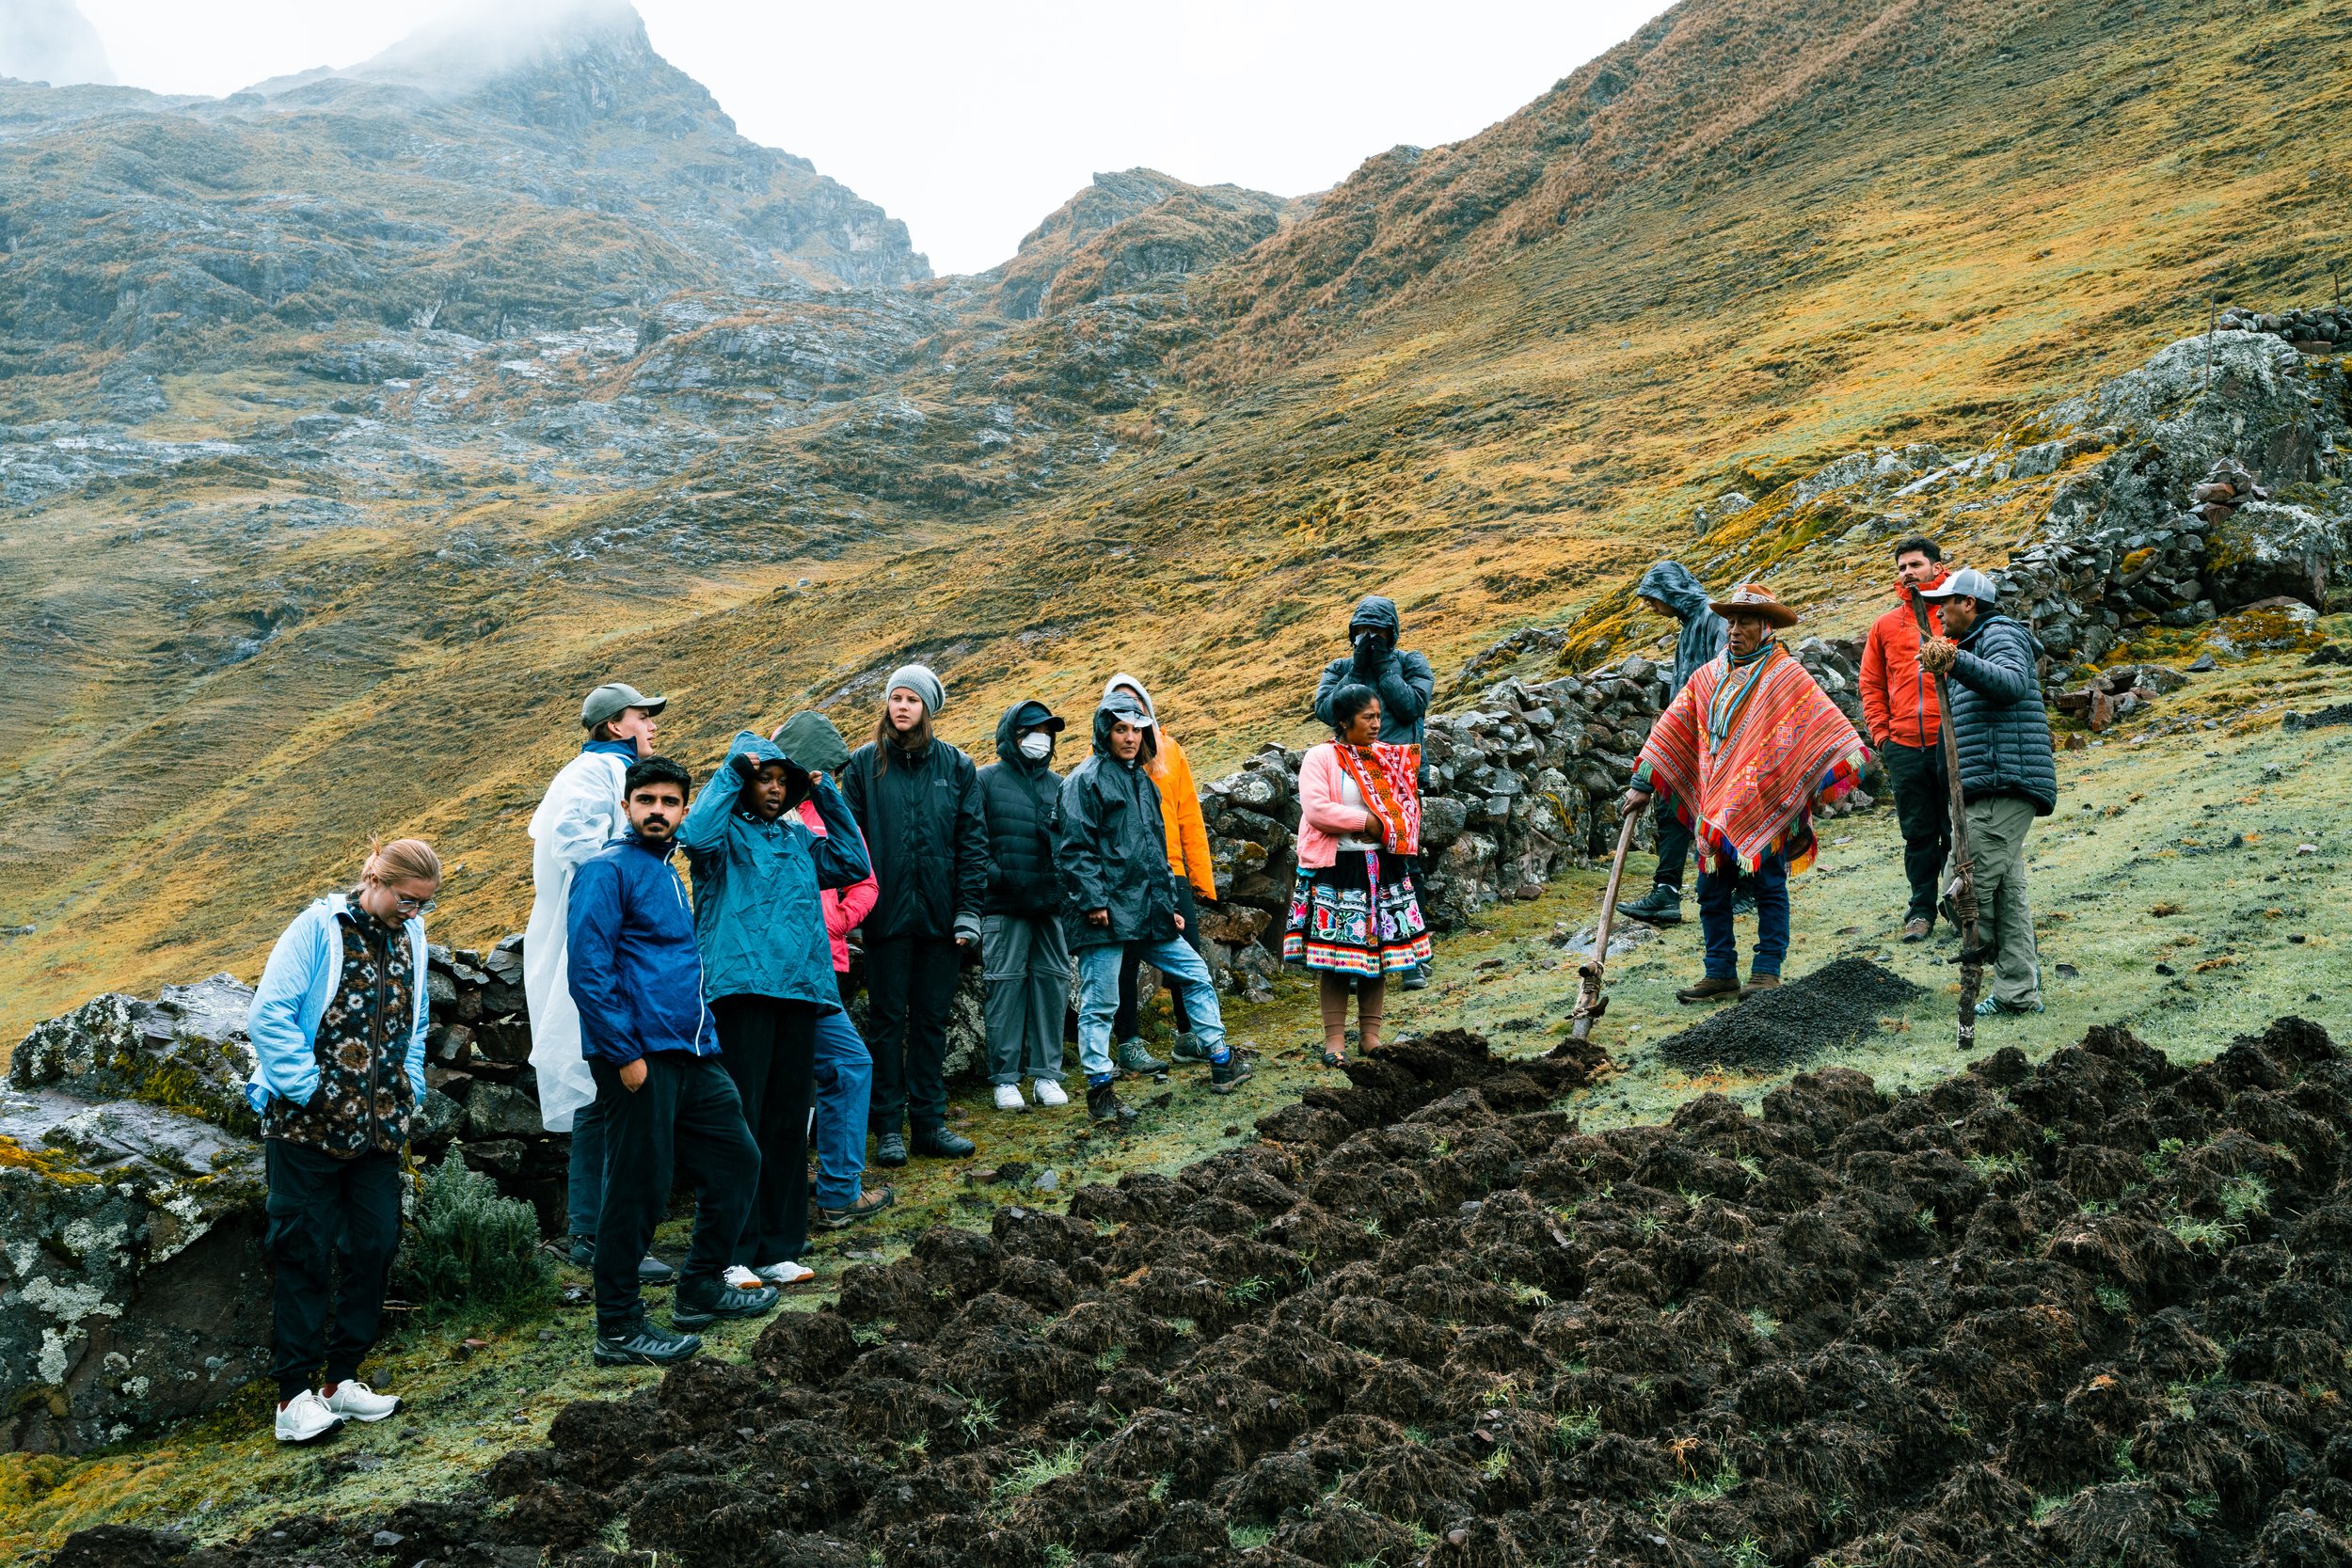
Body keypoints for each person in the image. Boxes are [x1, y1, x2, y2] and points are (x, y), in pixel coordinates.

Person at [569, 756, 778, 1367]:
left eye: (669, 801)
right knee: (639, 1186)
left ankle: (700, 1285)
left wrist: (704, 1035)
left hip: (692, 1052)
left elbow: (680, 968)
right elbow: (588, 969)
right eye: (647, 800)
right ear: (629, 806)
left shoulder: (670, 872)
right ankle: (618, 1325)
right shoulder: (607, 870)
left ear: (684, 810)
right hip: (637, 1056)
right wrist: (624, 1051)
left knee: (738, 1159)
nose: (658, 810)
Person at [245, 837, 441, 1443]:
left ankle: (342, 1381)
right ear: (376, 879)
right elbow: (270, 1015)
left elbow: (418, 1021)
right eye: (408, 900)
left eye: (423, 905)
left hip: (380, 1130)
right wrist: (312, 1092)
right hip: (305, 1129)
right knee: (304, 1251)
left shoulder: (412, 938)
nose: (415, 913)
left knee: (375, 1246)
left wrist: (410, 1085)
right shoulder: (316, 930)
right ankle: (293, 1399)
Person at [679, 731, 872, 1290]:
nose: (773, 788)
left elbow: (853, 861)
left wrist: (825, 791)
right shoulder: (721, 839)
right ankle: (729, 1252)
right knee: (740, 1125)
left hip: (801, 991)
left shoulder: (798, 839)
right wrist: (731, 771)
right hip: (740, 993)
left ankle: (778, 1246)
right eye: (764, 778)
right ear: (744, 783)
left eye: (780, 781)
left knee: (788, 1124)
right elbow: (692, 835)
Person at [1623, 583, 1868, 1004]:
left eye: (1746, 621)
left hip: (1767, 800)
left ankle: (1766, 971)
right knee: (1709, 889)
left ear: (1766, 625)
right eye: (1731, 620)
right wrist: (1643, 784)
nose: (1735, 629)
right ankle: (1719, 972)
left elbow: (1828, 729)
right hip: (1715, 802)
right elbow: (1673, 727)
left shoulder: (1786, 675)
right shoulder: (1707, 676)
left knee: (1769, 885)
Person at [522, 680, 676, 1284]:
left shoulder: (605, 774)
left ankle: (599, 1230)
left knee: (607, 1092)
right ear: (616, 725)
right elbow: (579, 849)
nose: (653, 725)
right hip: (597, 951)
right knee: (606, 1090)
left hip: (615, 948)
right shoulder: (590, 779)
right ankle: (600, 1235)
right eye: (645, 716)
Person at [1058, 691, 1249, 1123]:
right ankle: (1100, 1092)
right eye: (1120, 728)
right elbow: (1073, 850)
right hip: (1105, 915)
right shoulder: (1083, 781)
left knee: (1195, 972)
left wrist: (1167, 906)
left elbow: (1155, 852)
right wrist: (1093, 903)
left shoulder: (1142, 780)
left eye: (1136, 728)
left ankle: (1220, 1060)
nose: (1129, 737)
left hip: (1147, 912)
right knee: (1100, 1002)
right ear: (1104, 732)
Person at [839, 664, 989, 1164]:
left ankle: (929, 1123)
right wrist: (853, 912)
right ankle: (888, 1128)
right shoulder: (862, 766)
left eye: (912, 700)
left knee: (930, 1021)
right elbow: (848, 845)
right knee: (884, 1022)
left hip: (942, 922)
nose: (901, 707)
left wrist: (968, 913)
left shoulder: (957, 767)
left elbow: (973, 845)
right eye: (895, 698)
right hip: (883, 921)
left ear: (928, 708)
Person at [774, 710, 894, 1229]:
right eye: (813, 771)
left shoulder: (817, 810)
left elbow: (860, 872)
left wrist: (839, 922)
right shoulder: (750, 810)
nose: (819, 779)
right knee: (799, 1080)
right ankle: (807, 1191)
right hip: (777, 972)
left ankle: (833, 1189)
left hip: (825, 965)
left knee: (837, 1068)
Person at [1918, 567, 2055, 1017]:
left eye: (1945, 605)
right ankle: (2019, 993)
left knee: (1961, 891)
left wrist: (1956, 662)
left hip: (2004, 782)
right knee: (2006, 895)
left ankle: (1986, 949)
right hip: (1993, 785)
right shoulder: (1976, 643)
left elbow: (2013, 683)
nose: (1938, 614)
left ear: (1969, 604)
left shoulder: (1999, 634)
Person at [1285, 684, 1432, 1065]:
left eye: (1378, 716)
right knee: (1336, 958)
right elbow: (1317, 810)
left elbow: (1405, 805)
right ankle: (1335, 1042)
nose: (1376, 724)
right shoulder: (1321, 758)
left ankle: (1371, 1036)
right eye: (1368, 717)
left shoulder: (1383, 758)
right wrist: (1366, 821)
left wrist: (1386, 828)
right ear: (1344, 721)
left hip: (1382, 867)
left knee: (1378, 955)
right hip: (1338, 868)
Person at [1312, 595, 1436, 987]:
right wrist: (1359, 669)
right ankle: (1356, 954)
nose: (1369, 639)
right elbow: (1327, 710)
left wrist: (1382, 666)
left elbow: (1412, 706)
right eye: (1362, 632)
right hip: (1347, 779)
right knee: (1351, 871)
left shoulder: (1411, 663)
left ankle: (1411, 957)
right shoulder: (1341, 668)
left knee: (1403, 866)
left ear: (1392, 633)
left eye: (1377, 632)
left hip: (1397, 778)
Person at [1103, 673, 1217, 1071]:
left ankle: (1190, 1036)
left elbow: (1189, 816)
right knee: (1127, 960)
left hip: (1171, 870)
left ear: (1147, 710)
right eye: (1118, 708)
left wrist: (1200, 877)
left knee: (1187, 952)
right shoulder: (1101, 764)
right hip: (1126, 876)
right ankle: (1129, 1042)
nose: (1129, 718)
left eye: (1135, 705)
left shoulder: (1171, 751)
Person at [977, 699, 1074, 1113]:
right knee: (1004, 986)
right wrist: (999, 877)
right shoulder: (985, 781)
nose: (1040, 739)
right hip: (1002, 907)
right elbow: (971, 841)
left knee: (1053, 985)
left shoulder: (1060, 785)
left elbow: (1073, 844)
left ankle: (1047, 1075)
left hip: (1050, 907)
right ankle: (1005, 1080)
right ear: (1011, 736)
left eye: (1046, 732)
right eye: (1031, 731)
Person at [1617, 562, 1727, 926]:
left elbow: (1720, 680)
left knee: (1721, 813)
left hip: (1712, 740)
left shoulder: (1714, 619)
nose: (1651, 607)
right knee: (1669, 808)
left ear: (1671, 592)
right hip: (1686, 737)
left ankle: (1742, 890)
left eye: (1652, 599)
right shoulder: (1688, 628)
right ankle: (1667, 893)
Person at [1861, 537, 1955, 942]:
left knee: (1956, 827)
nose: (1908, 573)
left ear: (1936, 567)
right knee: (1917, 833)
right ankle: (1920, 911)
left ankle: (1960, 905)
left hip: (1949, 740)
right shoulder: (1885, 625)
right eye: (1902, 567)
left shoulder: (1954, 614)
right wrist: (1883, 736)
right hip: (1903, 746)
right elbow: (1871, 684)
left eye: (1916, 564)